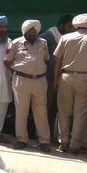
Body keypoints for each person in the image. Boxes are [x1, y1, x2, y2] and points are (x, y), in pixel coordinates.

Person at [53, 14, 87, 153]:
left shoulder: (65, 38)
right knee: (81, 112)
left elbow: (58, 60)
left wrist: (56, 79)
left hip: (65, 76)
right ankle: (76, 144)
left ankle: (64, 141)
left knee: (63, 111)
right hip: (86, 78)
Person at [5, 19, 51, 152]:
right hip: (21, 81)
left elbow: (46, 59)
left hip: (40, 81)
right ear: (24, 32)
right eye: (29, 32)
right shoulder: (15, 43)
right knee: (21, 110)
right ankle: (21, 139)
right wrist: (17, 71)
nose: (32, 34)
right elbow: (7, 61)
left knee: (41, 111)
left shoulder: (43, 43)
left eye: (34, 31)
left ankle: (44, 141)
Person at [39, 15, 75, 141]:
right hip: (48, 79)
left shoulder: (69, 39)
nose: (71, 29)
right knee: (47, 108)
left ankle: (53, 136)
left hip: (62, 79)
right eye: (69, 26)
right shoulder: (48, 36)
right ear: (61, 26)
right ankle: (44, 136)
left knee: (57, 109)